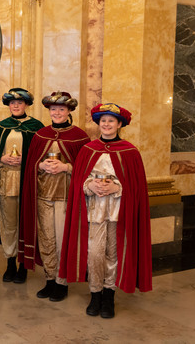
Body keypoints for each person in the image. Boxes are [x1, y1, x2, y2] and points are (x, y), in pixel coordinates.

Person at [59, 103, 152, 318]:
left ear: (119, 124)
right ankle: (95, 293)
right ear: (98, 124)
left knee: (113, 253)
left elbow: (137, 187)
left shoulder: (130, 152)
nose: (107, 124)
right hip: (93, 212)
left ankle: (109, 295)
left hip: (119, 212)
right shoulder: (88, 150)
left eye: (111, 121)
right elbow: (78, 182)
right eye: (103, 121)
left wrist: (117, 187)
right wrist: (89, 185)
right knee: (94, 253)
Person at [19, 91, 90, 302]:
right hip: (42, 196)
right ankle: (49, 279)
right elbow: (30, 164)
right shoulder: (40, 135)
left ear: (69, 111)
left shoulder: (79, 136)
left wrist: (67, 167)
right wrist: (39, 165)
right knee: (47, 240)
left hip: (65, 197)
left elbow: (87, 168)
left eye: (61, 109)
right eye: (53, 109)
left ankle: (61, 282)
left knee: (61, 240)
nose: (57, 113)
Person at [0, 88, 43, 284]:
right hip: (5, 184)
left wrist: (27, 160)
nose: (15, 106)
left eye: (20, 102)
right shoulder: (0, 128)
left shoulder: (36, 127)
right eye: (12, 103)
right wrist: (1, 157)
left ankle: (24, 265)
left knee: (24, 223)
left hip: (26, 183)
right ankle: (9, 263)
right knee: (8, 224)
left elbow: (41, 156)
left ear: (26, 105)